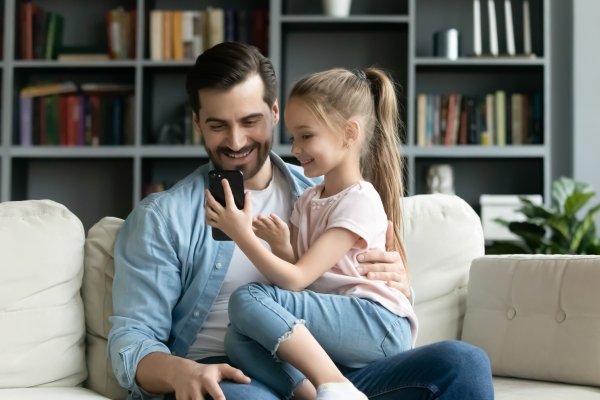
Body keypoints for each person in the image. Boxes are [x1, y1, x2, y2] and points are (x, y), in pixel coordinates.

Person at [108, 41, 494, 400]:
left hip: (338, 367)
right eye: (217, 125)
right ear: (197, 123)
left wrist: (396, 279)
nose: (237, 141)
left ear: (276, 113)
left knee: (463, 363)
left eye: (250, 121)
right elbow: (133, 339)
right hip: (236, 372)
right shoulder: (163, 218)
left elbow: (359, 304)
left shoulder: (322, 192)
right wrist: (180, 373)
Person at [204, 66, 416, 400]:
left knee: (247, 298)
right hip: (338, 321)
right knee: (237, 338)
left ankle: (336, 384)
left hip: (377, 324)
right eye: (293, 137)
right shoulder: (308, 200)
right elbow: (309, 274)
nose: (296, 148)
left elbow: (297, 280)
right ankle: (311, 395)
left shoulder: (359, 200)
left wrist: (241, 233)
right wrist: (283, 247)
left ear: (349, 133)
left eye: (307, 135)